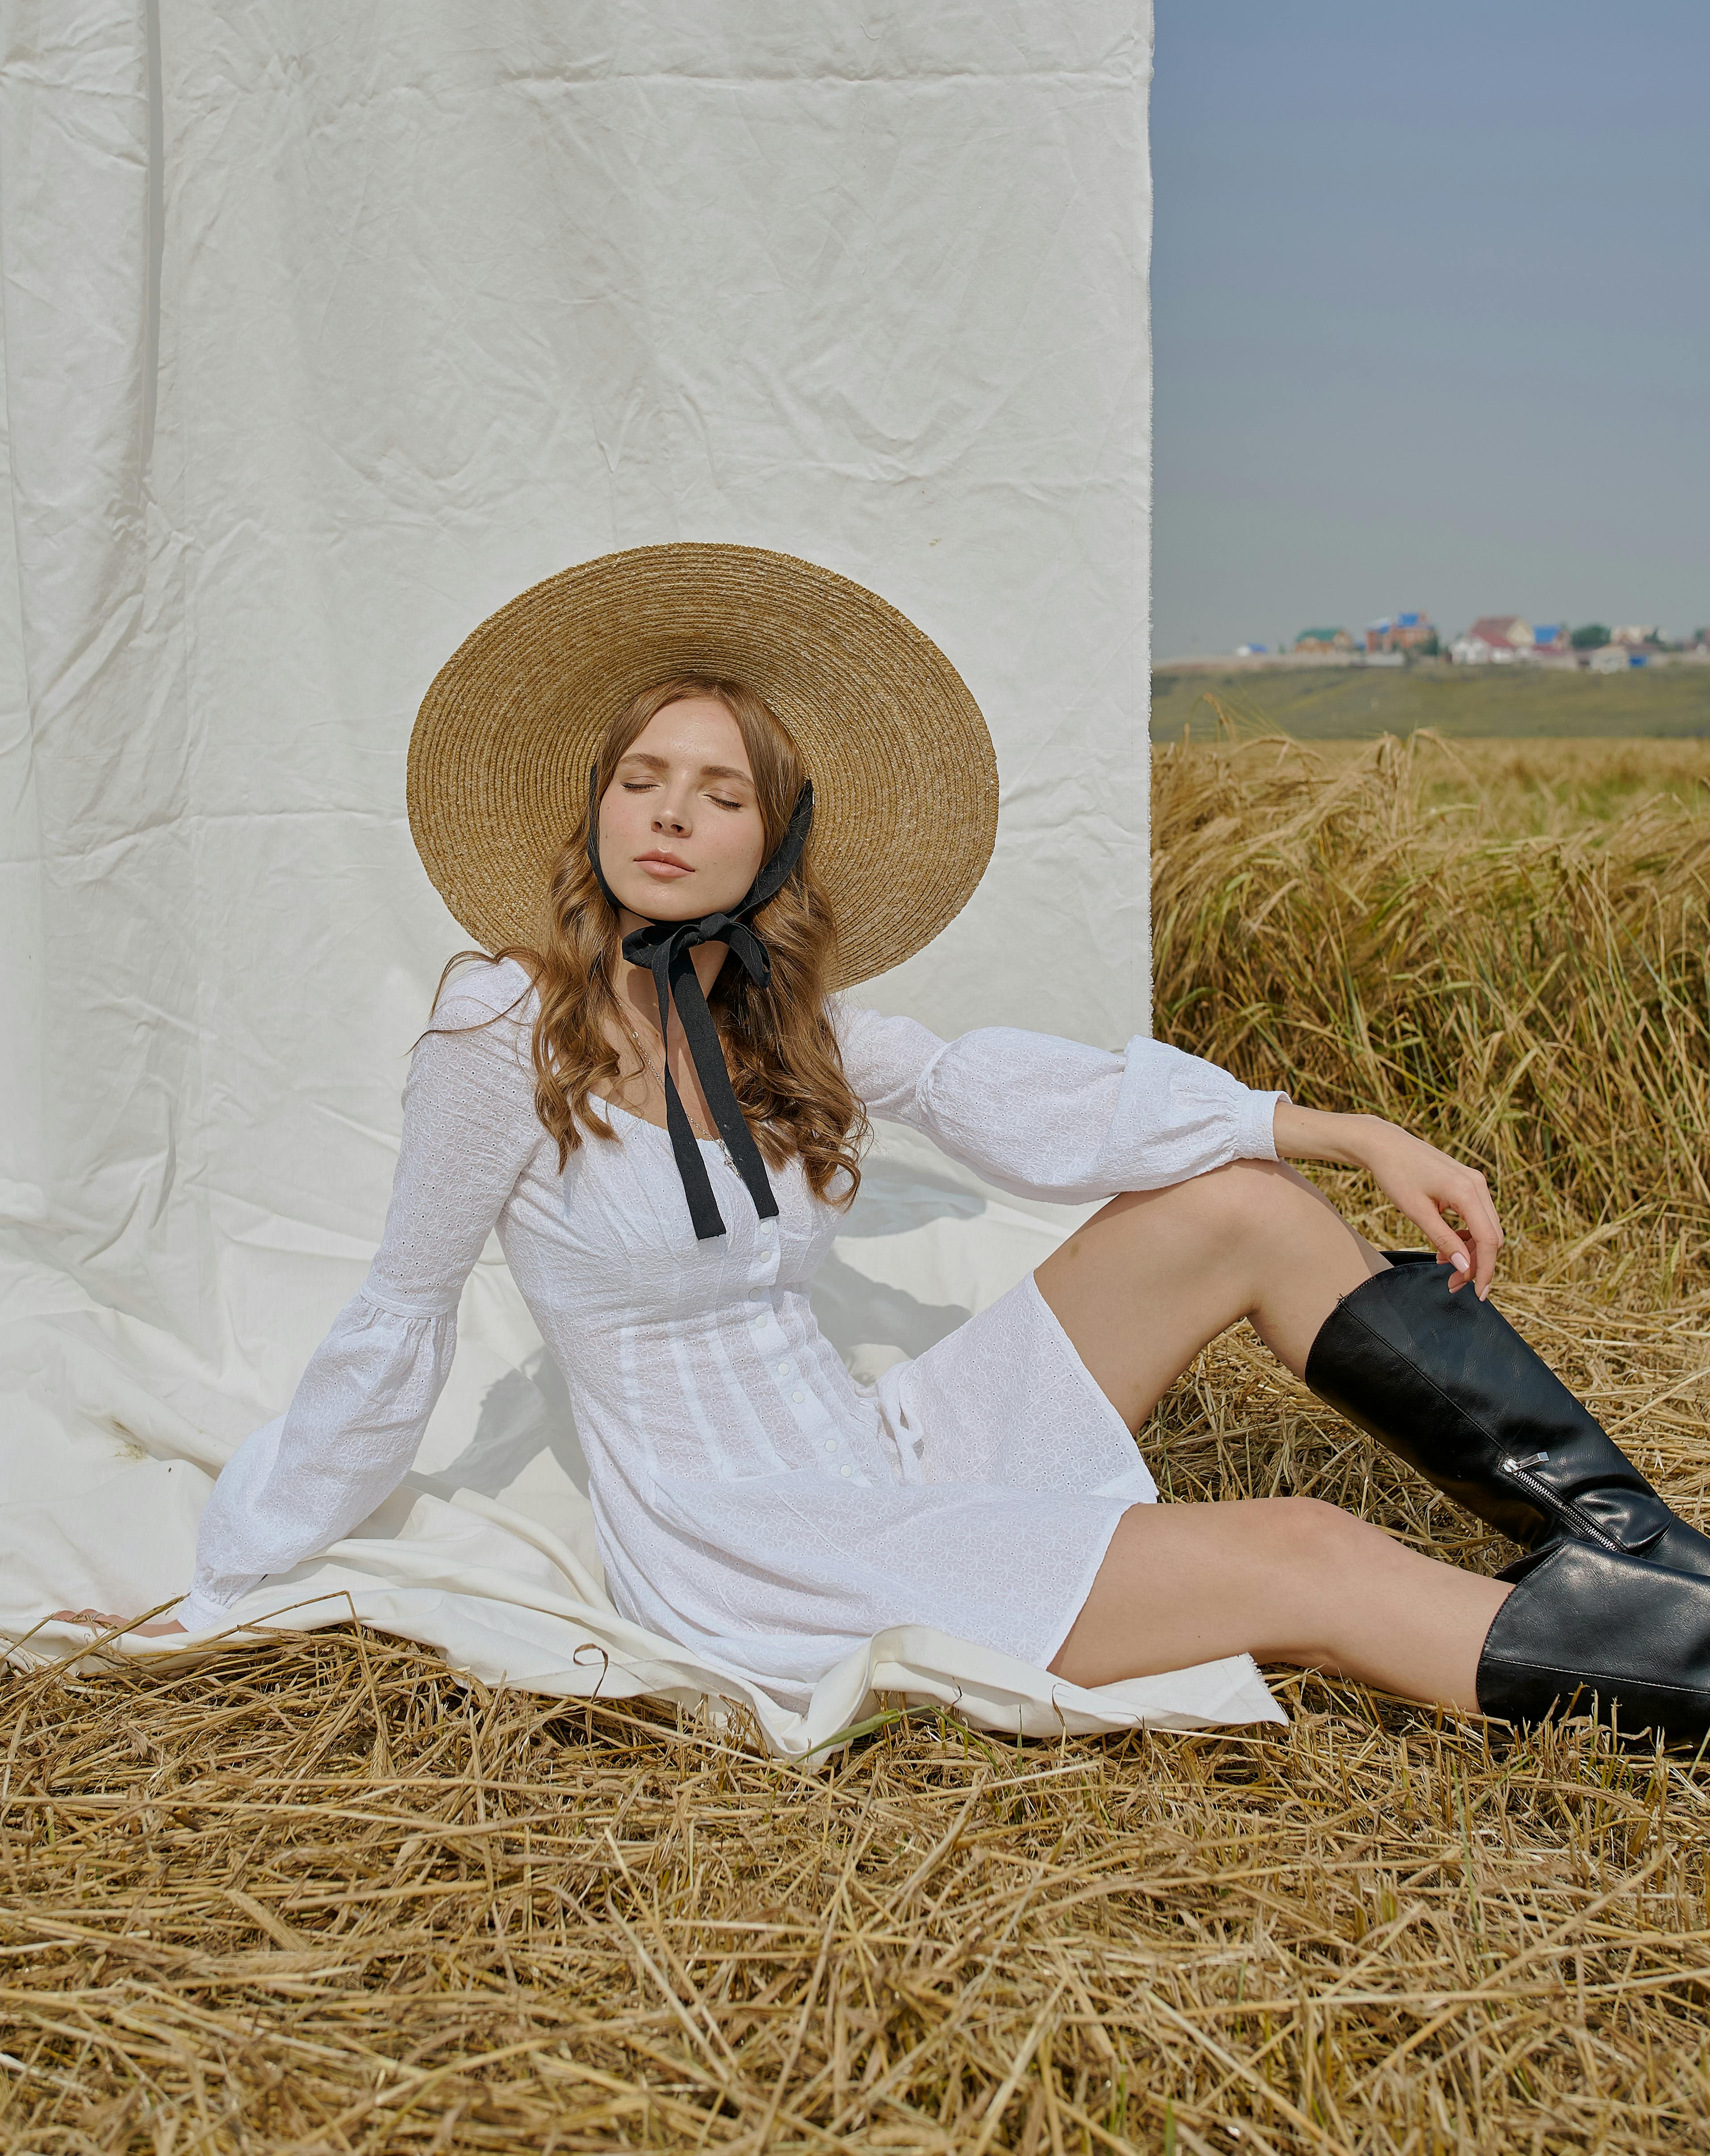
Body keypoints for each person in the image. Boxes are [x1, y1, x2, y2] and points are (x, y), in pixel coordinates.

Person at [58, 545, 1710, 1738]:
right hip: (757, 1544)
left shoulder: (779, 1011)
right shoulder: (504, 1030)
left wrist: (1344, 1128)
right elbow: (400, 1316)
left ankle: (1647, 1564)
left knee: (1238, 1203)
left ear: (772, 843)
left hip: (887, 1445)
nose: (671, 814)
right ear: (594, 810)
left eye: (718, 792)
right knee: (1301, 1549)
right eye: (642, 779)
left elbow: (1021, 1095)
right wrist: (235, 1574)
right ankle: (1692, 1672)